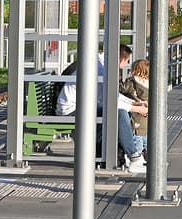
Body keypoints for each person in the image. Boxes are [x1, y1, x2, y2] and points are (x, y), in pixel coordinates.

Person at [56, 44, 147, 172]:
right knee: (120, 113)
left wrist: (134, 103)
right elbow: (107, 100)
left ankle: (131, 155)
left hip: (81, 108)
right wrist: (136, 108)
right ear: (120, 59)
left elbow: (111, 95)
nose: (125, 65)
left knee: (122, 112)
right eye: (126, 61)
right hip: (72, 111)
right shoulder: (99, 69)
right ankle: (134, 157)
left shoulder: (100, 65)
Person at [118, 57, 150, 139]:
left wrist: (119, 79)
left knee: (137, 138)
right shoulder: (151, 83)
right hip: (146, 116)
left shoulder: (132, 82)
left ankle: (137, 151)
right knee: (145, 138)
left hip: (136, 115)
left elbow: (120, 88)